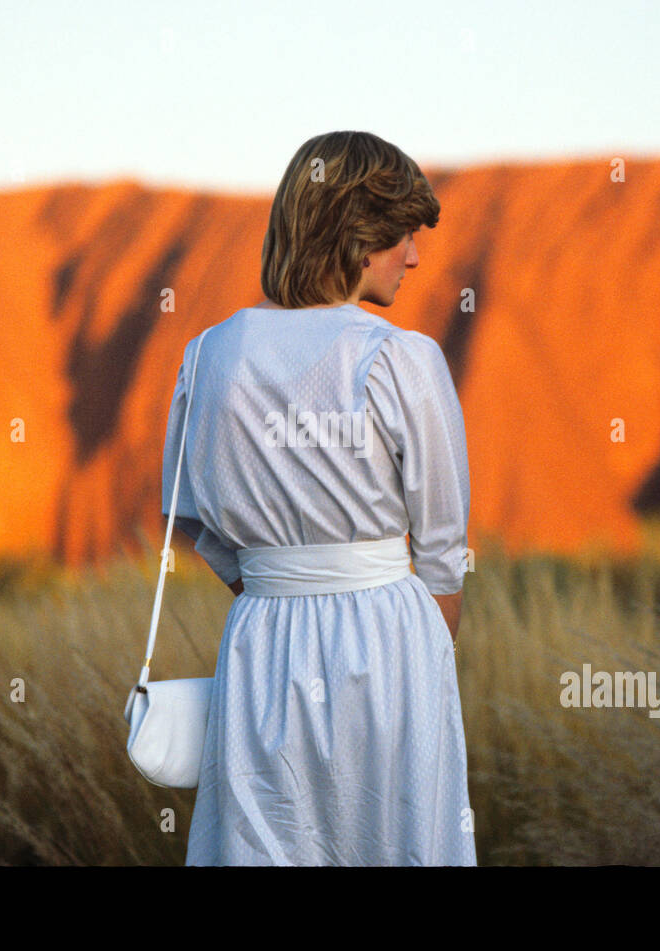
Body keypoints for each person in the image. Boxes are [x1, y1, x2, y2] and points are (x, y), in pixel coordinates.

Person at [160, 130, 474, 865]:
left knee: (264, 843)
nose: (415, 256)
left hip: (261, 638)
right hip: (390, 639)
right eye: (402, 236)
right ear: (360, 239)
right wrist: (423, 660)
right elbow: (443, 553)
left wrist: (273, 581)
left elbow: (187, 514)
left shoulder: (208, 354)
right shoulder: (401, 357)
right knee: (397, 843)